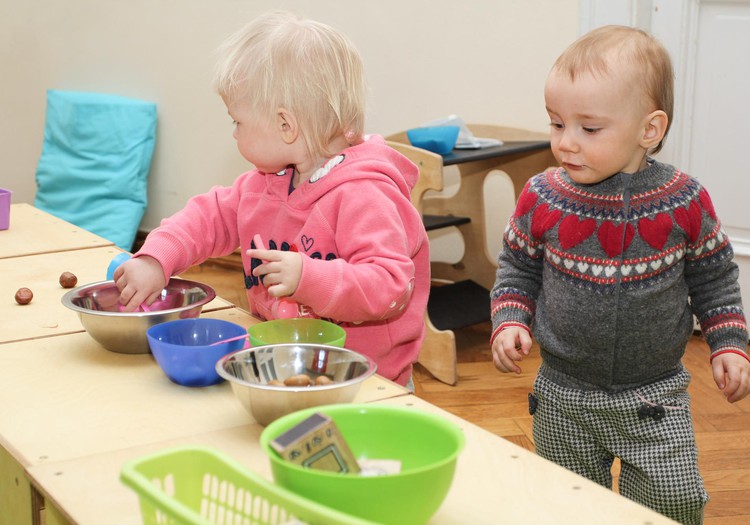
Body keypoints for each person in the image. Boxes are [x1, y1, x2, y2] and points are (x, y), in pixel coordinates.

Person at [490, 25, 750, 524]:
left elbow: (715, 280)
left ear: (648, 130)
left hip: (653, 398)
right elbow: (518, 268)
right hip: (562, 393)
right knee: (564, 505)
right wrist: (509, 321)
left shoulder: (685, 201)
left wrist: (729, 343)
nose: (566, 143)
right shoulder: (542, 195)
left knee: (673, 504)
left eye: (589, 129)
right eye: (556, 123)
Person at [114, 11, 429, 388]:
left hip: (366, 381)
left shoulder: (365, 194)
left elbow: (390, 286)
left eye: (238, 121)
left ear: (285, 125)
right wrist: (156, 258)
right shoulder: (266, 182)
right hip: (284, 368)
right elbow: (209, 217)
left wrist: (307, 277)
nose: (233, 132)